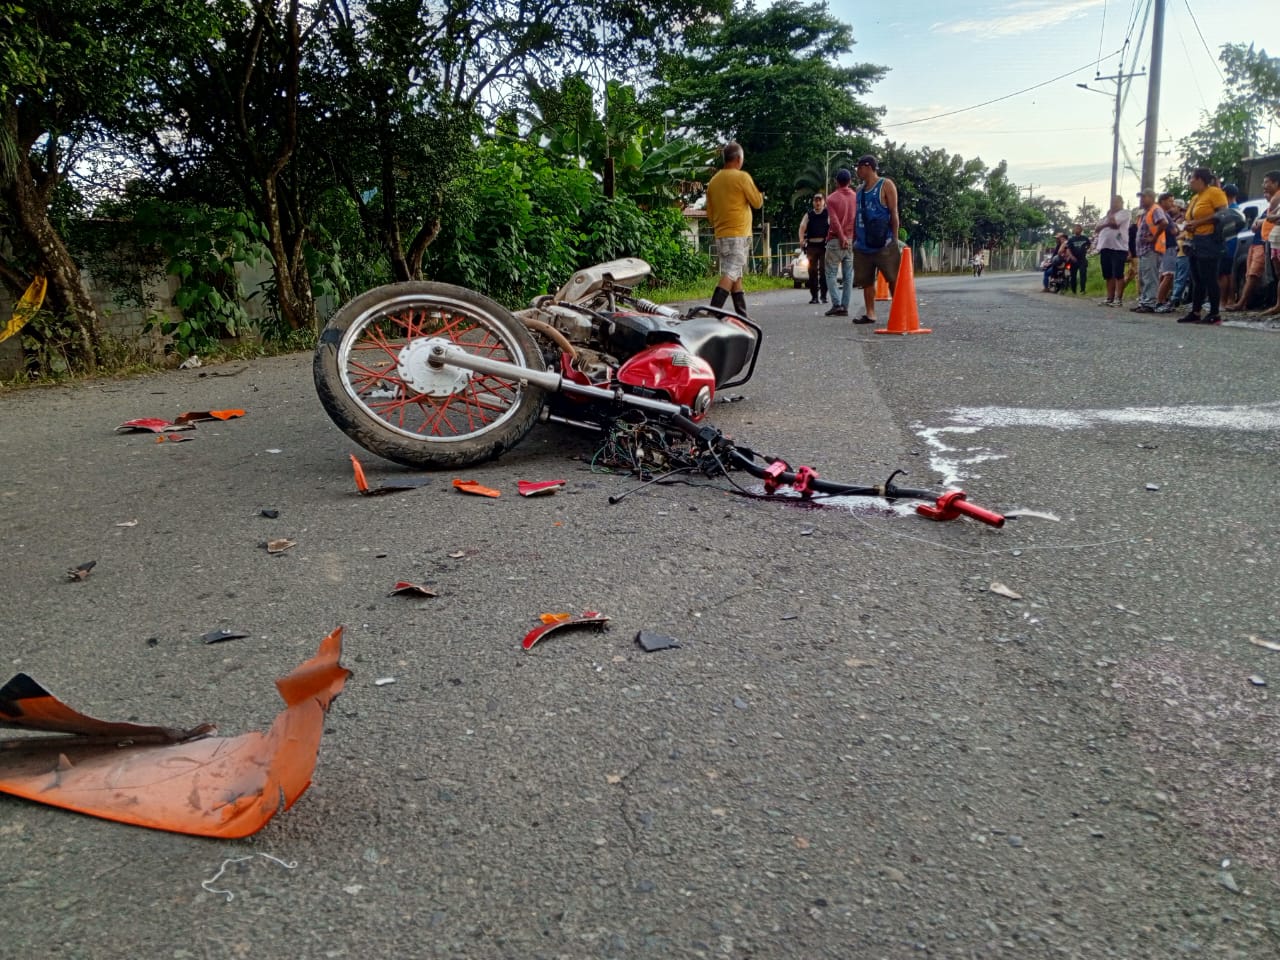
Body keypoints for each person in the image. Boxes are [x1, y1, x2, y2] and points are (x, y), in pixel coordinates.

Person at [704, 141, 763, 319]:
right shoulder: (742, 177)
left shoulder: (713, 182)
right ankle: (712, 313)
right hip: (738, 234)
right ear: (738, 159)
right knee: (731, 273)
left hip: (721, 235)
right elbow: (757, 202)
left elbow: (710, 213)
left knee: (736, 275)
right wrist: (760, 195)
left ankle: (742, 316)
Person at [850, 154, 901, 325]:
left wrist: (894, 237)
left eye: (859, 167)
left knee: (893, 278)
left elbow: (894, 213)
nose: (857, 171)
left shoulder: (885, 185)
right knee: (866, 280)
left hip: (883, 242)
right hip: (863, 244)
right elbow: (856, 216)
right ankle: (870, 313)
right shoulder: (859, 191)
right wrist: (854, 238)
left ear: (868, 167)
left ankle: (899, 310)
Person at [1177, 167, 1229, 324]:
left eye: (1192, 178)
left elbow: (1222, 214)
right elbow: (1190, 217)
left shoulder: (1214, 192)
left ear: (1200, 179)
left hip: (1209, 240)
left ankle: (1215, 314)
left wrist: (1198, 222)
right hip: (1194, 240)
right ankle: (1196, 311)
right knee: (1197, 278)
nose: (1190, 182)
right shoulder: (1195, 198)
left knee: (1209, 277)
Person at [1226, 175, 1275, 312]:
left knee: (1253, 274)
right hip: (1255, 242)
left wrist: (1261, 222)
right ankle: (1248, 302)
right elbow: (1255, 224)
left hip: (1262, 243)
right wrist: (1259, 222)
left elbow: (1260, 223)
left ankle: (1241, 303)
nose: (1266, 194)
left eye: (1267, 189)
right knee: (1249, 274)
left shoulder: (1274, 208)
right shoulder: (1268, 209)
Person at [823, 168, 857, 318]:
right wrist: (850, 238)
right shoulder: (856, 197)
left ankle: (836, 304)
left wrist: (841, 237)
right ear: (849, 181)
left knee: (830, 272)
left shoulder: (831, 199)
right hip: (850, 240)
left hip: (836, 240)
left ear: (836, 182)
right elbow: (857, 219)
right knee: (848, 275)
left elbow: (835, 221)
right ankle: (845, 305)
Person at [1131, 188, 1168, 313]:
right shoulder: (1145, 213)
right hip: (1143, 250)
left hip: (1152, 249)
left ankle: (1149, 303)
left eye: (1144, 197)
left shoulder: (1155, 209)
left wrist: (1154, 237)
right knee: (1143, 277)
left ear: (1151, 198)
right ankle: (1144, 302)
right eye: (1140, 197)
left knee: (1150, 277)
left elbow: (1164, 223)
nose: (1141, 199)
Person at [1094, 195, 1131, 306]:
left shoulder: (1125, 213)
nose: (1113, 204)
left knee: (1118, 274)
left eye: (1116, 202)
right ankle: (1109, 298)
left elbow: (1115, 224)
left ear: (1121, 202)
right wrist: (1106, 222)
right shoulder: (1106, 217)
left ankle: (1118, 299)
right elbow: (1096, 229)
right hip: (1105, 247)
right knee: (1108, 274)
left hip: (1118, 248)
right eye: (1112, 202)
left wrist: (1108, 219)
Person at [797, 192, 829, 304]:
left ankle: (824, 296)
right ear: (813, 202)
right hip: (811, 246)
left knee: (824, 271)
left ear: (824, 202)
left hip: (824, 246)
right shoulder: (809, 215)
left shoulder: (827, 214)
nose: (818, 202)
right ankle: (814, 296)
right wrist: (801, 239)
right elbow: (802, 227)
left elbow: (833, 226)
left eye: (820, 200)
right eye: (816, 200)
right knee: (812, 271)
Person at [1217, 183, 1244, 309]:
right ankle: (1229, 300)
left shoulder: (1231, 210)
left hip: (1228, 244)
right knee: (1228, 273)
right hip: (1232, 244)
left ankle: (1223, 302)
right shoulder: (1236, 208)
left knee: (1223, 273)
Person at [1154, 193, 1180, 312]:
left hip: (1163, 246)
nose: (1172, 204)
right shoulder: (1165, 215)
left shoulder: (1159, 213)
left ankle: (1160, 300)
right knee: (1169, 275)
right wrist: (1180, 228)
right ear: (1163, 201)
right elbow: (1174, 231)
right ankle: (1159, 301)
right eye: (1170, 201)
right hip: (1169, 246)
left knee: (1164, 274)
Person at [1262, 170, 1280, 317]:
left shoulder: (1277, 196)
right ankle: (1278, 305)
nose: (1264, 185)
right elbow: (1270, 217)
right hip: (1275, 239)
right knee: (1278, 274)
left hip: (1275, 238)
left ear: (1275, 183)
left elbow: (1271, 217)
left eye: (1267, 182)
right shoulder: (1276, 197)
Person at [1065, 224, 1091, 293]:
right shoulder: (1071, 239)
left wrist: (1087, 250)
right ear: (1074, 230)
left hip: (1082, 259)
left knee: (1083, 274)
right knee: (1073, 275)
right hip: (1074, 260)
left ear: (1081, 230)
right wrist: (1071, 256)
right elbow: (1068, 249)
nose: (1077, 230)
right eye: (1076, 228)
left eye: (1079, 229)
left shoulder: (1085, 238)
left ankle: (1083, 290)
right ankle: (1074, 290)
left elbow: (1089, 245)